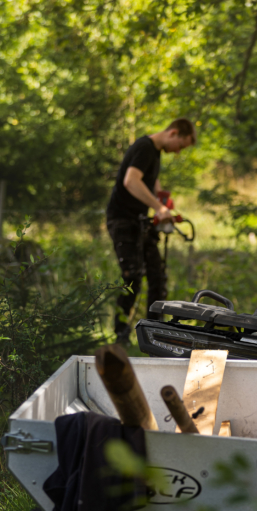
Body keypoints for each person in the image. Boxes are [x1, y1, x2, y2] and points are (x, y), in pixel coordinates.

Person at [106, 118, 196, 343]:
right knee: (132, 276)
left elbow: (150, 182)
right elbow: (131, 181)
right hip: (123, 220)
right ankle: (121, 334)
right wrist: (159, 207)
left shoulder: (154, 152)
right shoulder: (144, 147)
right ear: (173, 133)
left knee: (157, 276)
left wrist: (162, 200)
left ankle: (155, 333)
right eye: (180, 146)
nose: (178, 152)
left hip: (140, 222)